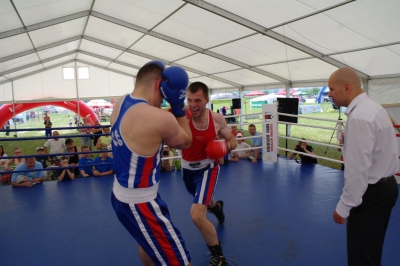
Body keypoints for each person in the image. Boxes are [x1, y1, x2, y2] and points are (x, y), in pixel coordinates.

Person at [110, 61, 193, 266]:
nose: (163, 100)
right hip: (141, 204)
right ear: (159, 85)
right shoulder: (158, 118)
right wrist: (178, 106)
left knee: (147, 243)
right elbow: (186, 141)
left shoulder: (121, 102)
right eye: (163, 94)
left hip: (120, 194)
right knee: (181, 262)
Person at [328, 67, 399, 265]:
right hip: (385, 187)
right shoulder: (373, 108)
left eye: (332, 89)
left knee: (362, 257)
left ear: (347, 87)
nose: (329, 94)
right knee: (370, 251)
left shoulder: (360, 117)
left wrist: (343, 206)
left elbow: (357, 170)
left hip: (372, 192)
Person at [183, 81, 237, 266]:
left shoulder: (216, 119)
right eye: (190, 100)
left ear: (206, 99)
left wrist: (223, 148)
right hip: (187, 170)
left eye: (197, 100)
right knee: (204, 200)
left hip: (208, 168)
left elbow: (232, 140)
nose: (193, 105)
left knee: (197, 215)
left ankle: (218, 256)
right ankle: (216, 207)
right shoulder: (182, 115)